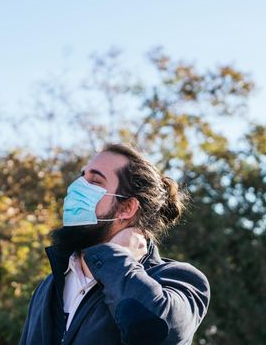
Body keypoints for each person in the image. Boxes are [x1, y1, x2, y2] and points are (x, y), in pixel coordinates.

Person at [19, 143, 210, 345]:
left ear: (127, 207)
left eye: (95, 181)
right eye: (82, 177)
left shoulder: (178, 279)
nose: (76, 188)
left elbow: (157, 334)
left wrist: (116, 256)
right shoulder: (49, 285)